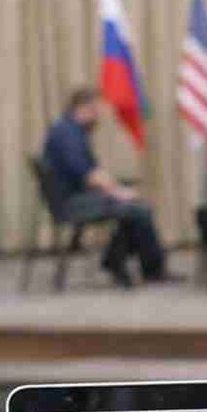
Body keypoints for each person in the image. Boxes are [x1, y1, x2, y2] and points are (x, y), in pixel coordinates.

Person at [41, 86, 168, 287]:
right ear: (81, 108)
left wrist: (116, 188)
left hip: (75, 197)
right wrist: (118, 192)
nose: (97, 116)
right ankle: (147, 269)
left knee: (133, 208)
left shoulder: (69, 129)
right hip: (72, 203)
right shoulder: (67, 133)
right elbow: (87, 174)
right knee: (138, 210)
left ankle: (115, 261)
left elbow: (92, 171)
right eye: (94, 111)